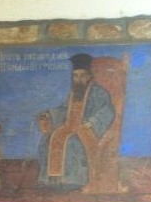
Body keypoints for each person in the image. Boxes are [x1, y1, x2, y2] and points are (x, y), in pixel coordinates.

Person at [36, 53, 115, 190]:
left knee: (72, 142)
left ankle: (73, 181)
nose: (78, 79)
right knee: (47, 139)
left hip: (87, 129)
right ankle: (52, 181)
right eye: (75, 76)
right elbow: (63, 110)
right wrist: (48, 114)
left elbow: (108, 110)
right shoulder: (73, 93)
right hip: (69, 127)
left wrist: (92, 122)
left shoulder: (99, 92)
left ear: (89, 76)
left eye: (82, 75)